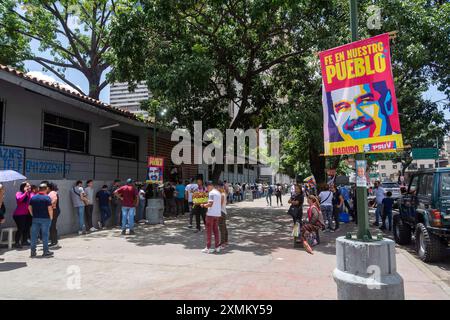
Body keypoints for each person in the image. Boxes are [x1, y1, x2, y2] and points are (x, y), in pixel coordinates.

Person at [29, 183, 54, 258]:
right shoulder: (47, 198)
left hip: (35, 219)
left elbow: (29, 207)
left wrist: (32, 215)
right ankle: (45, 251)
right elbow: (50, 209)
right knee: (45, 235)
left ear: (39, 189)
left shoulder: (33, 197)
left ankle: (33, 252)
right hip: (45, 219)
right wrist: (51, 217)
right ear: (46, 189)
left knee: (33, 236)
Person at [201, 181, 221, 254]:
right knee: (216, 231)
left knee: (209, 231)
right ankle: (217, 247)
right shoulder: (218, 192)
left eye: (206, 187)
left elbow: (210, 204)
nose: (206, 189)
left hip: (211, 214)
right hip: (217, 214)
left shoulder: (211, 193)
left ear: (209, 186)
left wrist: (203, 205)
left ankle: (208, 247)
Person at [13, 182, 32, 248]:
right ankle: (17, 243)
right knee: (20, 228)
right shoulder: (19, 193)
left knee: (26, 228)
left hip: (27, 214)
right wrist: (25, 192)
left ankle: (24, 241)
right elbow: (19, 199)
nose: (29, 187)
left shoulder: (30, 194)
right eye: (27, 186)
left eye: (29, 186)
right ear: (23, 187)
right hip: (19, 214)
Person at [218, 182, 228, 250]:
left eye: (218, 187)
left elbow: (220, 205)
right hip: (223, 211)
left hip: (221, 212)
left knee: (222, 228)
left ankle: (223, 242)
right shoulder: (224, 193)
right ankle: (226, 241)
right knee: (224, 227)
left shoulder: (222, 194)